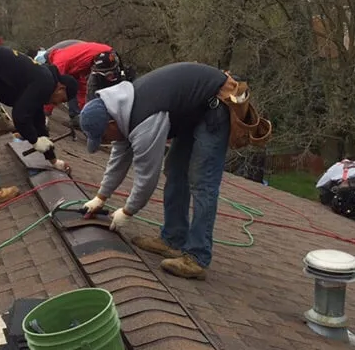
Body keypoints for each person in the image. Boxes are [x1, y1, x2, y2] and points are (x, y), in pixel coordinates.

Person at [80, 62, 239, 281]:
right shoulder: (121, 111)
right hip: (193, 111)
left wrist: (127, 212)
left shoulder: (145, 120)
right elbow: (118, 158)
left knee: (201, 181)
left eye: (104, 137)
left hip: (215, 106)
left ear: (111, 123)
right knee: (175, 169)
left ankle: (197, 257)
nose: (107, 142)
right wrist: (101, 197)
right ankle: (173, 239)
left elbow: (147, 177)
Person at [0, 41, 77, 206]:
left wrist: (53, 160)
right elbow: (19, 116)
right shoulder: (45, 81)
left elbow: (38, 122)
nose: (57, 103)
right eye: (61, 100)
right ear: (61, 88)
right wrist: (34, 141)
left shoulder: (43, 78)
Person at [45, 41, 117, 126]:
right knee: (82, 87)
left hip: (103, 56)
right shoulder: (72, 59)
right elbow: (81, 87)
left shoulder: (60, 61)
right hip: (105, 53)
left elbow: (53, 86)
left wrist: (45, 110)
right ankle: (84, 117)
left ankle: (91, 120)